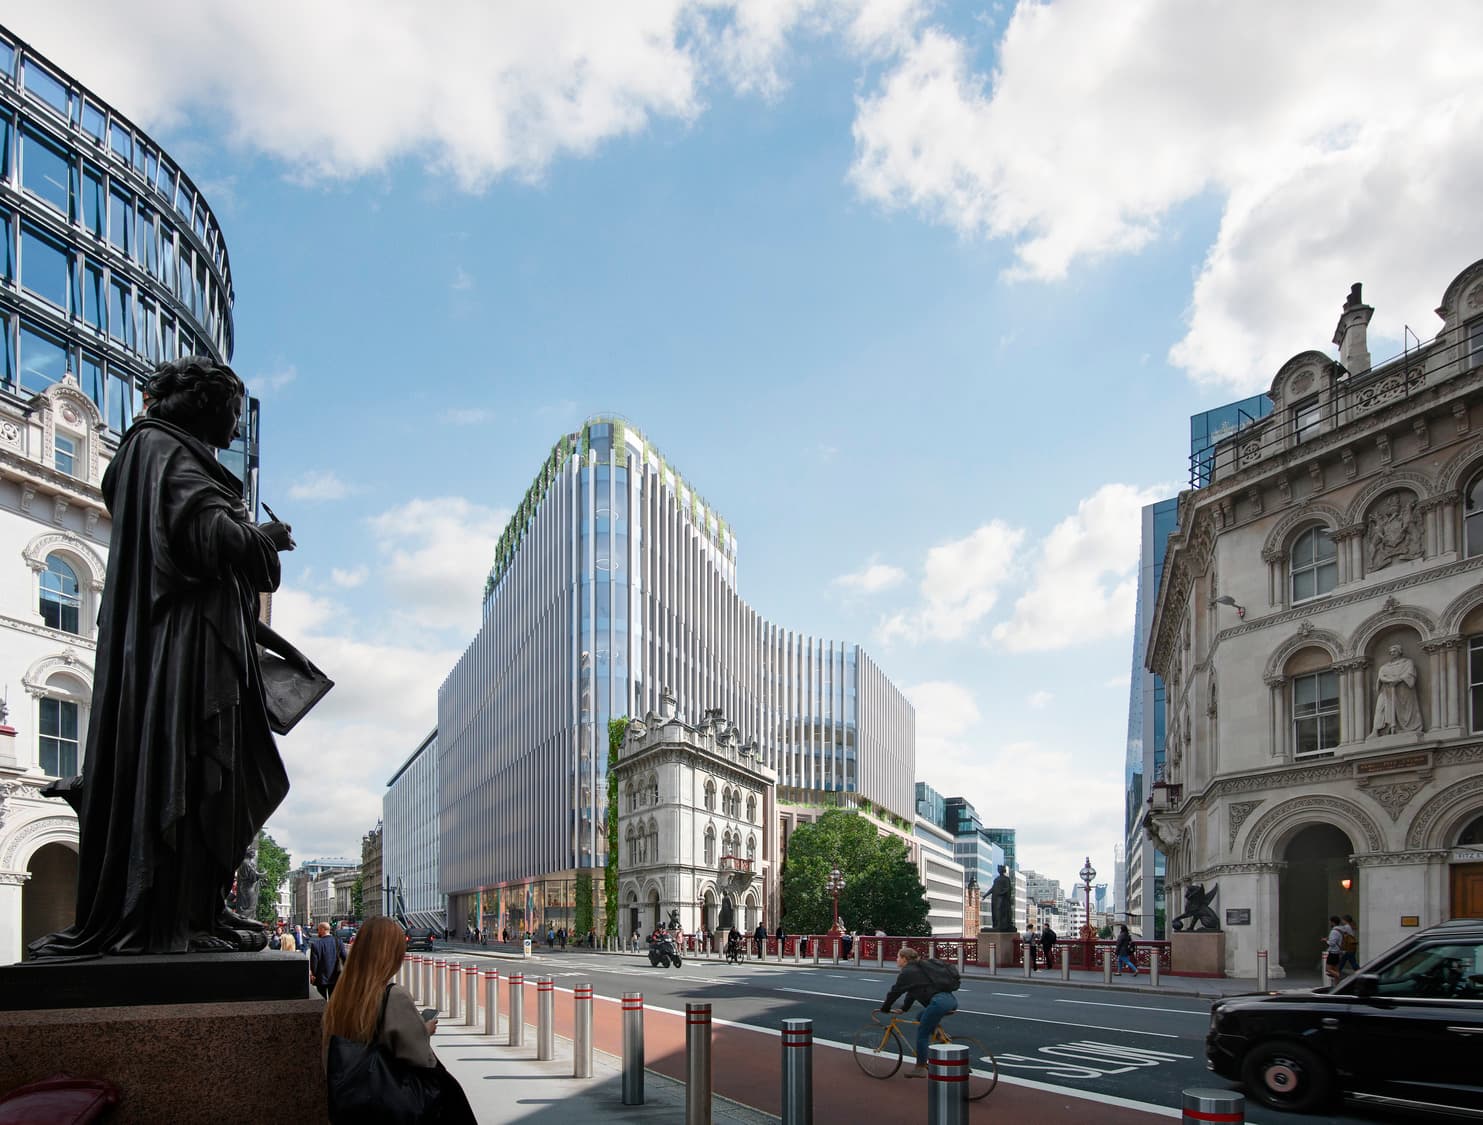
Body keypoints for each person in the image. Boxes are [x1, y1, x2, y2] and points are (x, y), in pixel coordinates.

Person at [27, 358, 309, 959]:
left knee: (230, 776)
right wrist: (266, 539)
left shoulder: (154, 452)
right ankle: (175, 920)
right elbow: (206, 538)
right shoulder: (161, 448)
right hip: (187, 650)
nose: (233, 428)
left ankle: (198, 907)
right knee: (208, 770)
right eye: (230, 413)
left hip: (185, 641)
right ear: (198, 404)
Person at [322, 916, 475, 1124]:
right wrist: (423, 1030)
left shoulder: (340, 997)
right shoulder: (394, 996)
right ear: (390, 954)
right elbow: (421, 1059)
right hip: (390, 1107)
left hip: (351, 1106)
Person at [879, 946, 960, 1079]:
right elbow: (912, 992)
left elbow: (895, 992)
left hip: (938, 1003)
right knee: (920, 1016)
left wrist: (885, 1008)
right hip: (950, 1000)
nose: (896, 959)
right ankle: (939, 1035)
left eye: (898, 957)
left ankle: (920, 1068)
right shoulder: (920, 969)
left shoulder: (907, 972)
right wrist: (904, 1008)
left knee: (922, 1034)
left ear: (904, 959)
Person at [309, 921, 348, 1000]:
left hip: (321, 978)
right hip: (335, 976)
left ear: (323, 929)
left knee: (322, 1001)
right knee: (334, 1000)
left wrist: (313, 975)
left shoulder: (316, 945)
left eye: (319, 929)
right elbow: (344, 958)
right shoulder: (338, 942)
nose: (318, 931)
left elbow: (314, 964)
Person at [1323, 915, 1344, 982]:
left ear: (1333, 922)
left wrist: (1326, 940)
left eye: (1331, 922)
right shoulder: (1340, 930)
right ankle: (1338, 986)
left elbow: (1332, 943)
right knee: (1335, 969)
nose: (1330, 923)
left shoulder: (1334, 931)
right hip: (1338, 953)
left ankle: (1340, 976)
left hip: (1333, 953)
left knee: (1328, 969)